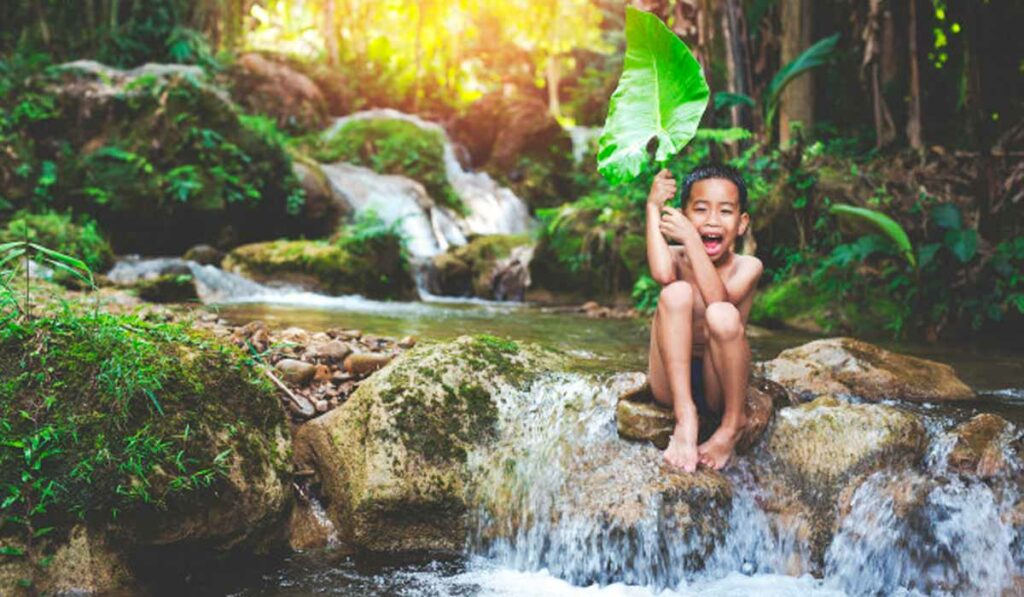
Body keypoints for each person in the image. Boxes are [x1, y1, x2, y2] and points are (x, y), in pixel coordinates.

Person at [645, 164, 762, 472]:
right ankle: (686, 418)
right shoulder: (674, 257)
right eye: (700, 210)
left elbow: (718, 301)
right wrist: (652, 207)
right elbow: (662, 273)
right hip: (671, 381)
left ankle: (732, 423)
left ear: (741, 223)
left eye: (725, 211)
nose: (712, 220)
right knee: (675, 292)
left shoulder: (748, 266)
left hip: (718, 382)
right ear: (683, 215)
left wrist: (693, 241)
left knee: (722, 314)